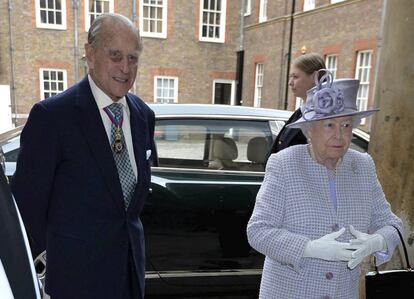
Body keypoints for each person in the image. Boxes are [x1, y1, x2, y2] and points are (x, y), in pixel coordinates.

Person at [11, 13, 155, 299]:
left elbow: (130, 206)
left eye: (133, 58)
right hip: (75, 283)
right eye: (115, 56)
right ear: (89, 54)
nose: (125, 68)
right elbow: (26, 209)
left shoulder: (143, 116)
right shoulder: (52, 117)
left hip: (130, 278)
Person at [247, 70, 402, 299]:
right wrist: (309, 248)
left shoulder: (362, 165)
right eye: (330, 125)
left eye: (347, 125)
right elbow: (258, 231)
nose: (339, 135)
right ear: (309, 130)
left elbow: (392, 224)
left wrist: (377, 241)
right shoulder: (284, 164)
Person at [269, 53, 326, 155]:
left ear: (315, 77)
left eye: (295, 77)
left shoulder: (321, 116)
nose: (290, 82)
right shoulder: (302, 112)